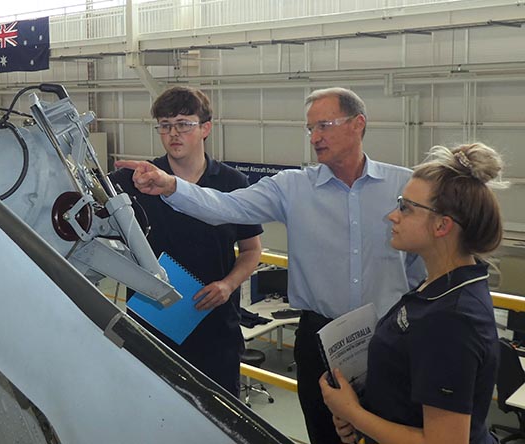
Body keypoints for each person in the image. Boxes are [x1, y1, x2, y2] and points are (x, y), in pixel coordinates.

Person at [114, 87, 426, 444]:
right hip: (319, 339)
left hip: (388, 337)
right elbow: (224, 207)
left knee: (391, 430)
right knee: (326, 435)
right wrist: (171, 186)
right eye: (310, 129)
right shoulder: (293, 187)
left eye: (324, 125)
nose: (315, 137)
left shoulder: (405, 186)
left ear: (358, 125)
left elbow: (426, 260)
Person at [319, 142, 505, 444]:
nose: (393, 216)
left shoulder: (450, 319)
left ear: (442, 226)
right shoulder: (438, 287)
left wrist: (353, 413)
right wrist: (363, 413)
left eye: (406, 207)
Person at [109, 86, 263, 397]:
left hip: (215, 326)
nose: (173, 133)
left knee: (219, 420)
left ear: (206, 128)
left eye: (183, 124)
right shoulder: (135, 182)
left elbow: (251, 250)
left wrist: (228, 285)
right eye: (165, 126)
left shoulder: (233, 183)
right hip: (153, 324)